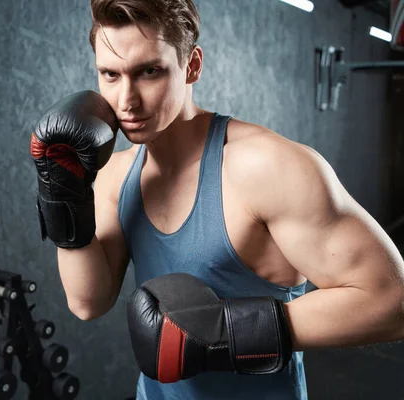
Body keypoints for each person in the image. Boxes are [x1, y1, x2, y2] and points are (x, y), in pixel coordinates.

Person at [29, 0, 404, 399]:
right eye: (110, 74)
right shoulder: (114, 176)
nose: (127, 101)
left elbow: (392, 301)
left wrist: (223, 333)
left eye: (149, 72)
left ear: (192, 65)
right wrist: (62, 195)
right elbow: (88, 302)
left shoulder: (266, 167)